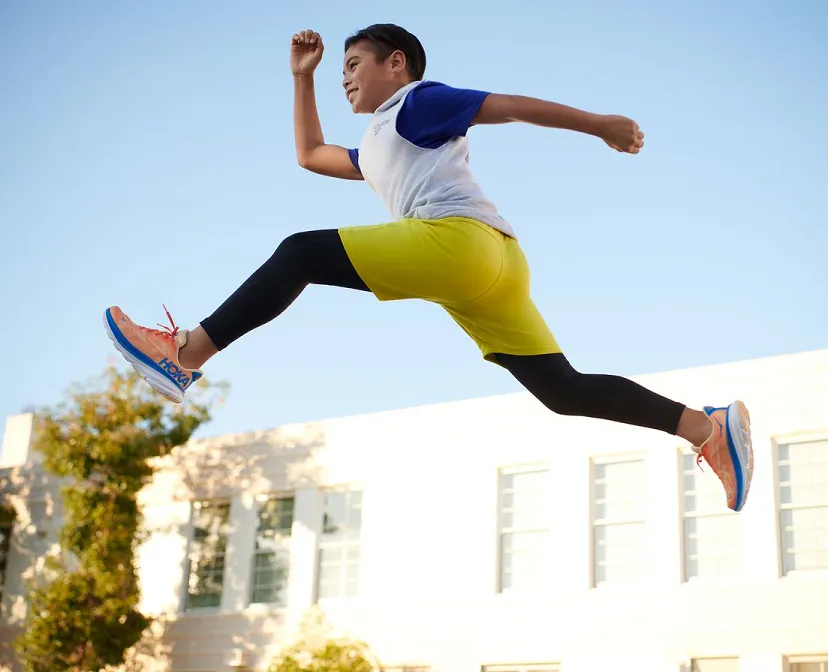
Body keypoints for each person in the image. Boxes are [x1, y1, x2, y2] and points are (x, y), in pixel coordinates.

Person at [104, 24, 753, 511]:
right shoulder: (377, 142)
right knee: (562, 390)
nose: (347, 77)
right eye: (341, 74)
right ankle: (705, 427)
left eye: (353, 65)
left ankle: (186, 353)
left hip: (460, 245)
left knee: (301, 253)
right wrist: (304, 76)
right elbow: (309, 155)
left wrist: (599, 125)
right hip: (495, 265)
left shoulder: (417, 103)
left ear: (397, 64)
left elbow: (510, 107)